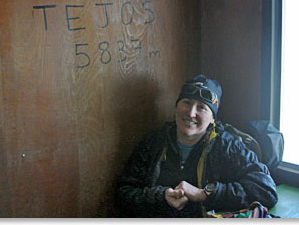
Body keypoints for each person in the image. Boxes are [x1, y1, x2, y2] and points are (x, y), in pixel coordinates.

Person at [116, 74, 278, 218]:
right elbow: (124, 193)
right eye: (186, 102)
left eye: (201, 107)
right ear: (176, 107)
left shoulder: (229, 146)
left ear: (213, 118)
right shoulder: (154, 143)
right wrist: (162, 196)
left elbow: (266, 190)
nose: (191, 113)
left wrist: (205, 194)